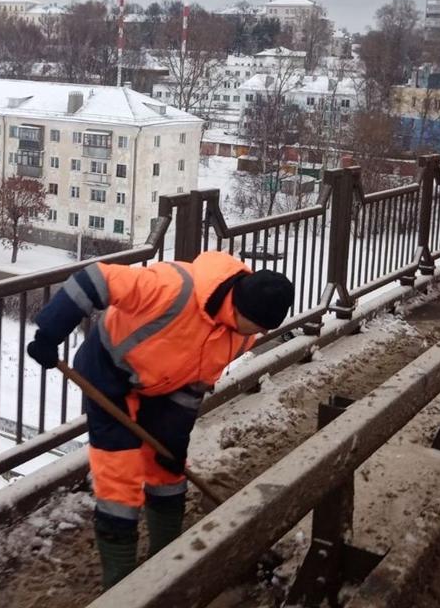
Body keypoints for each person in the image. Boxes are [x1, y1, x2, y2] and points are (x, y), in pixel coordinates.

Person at [27, 251, 294, 588]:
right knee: (119, 476)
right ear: (241, 307)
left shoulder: (241, 334)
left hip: (167, 384)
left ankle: (166, 563)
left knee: (168, 468)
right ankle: (121, 584)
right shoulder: (173, 287)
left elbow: (195, 385)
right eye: (257, 326)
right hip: (111, 373)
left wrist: (172, 441)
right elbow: (94, 279)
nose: (256, 335)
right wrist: (49, 335)